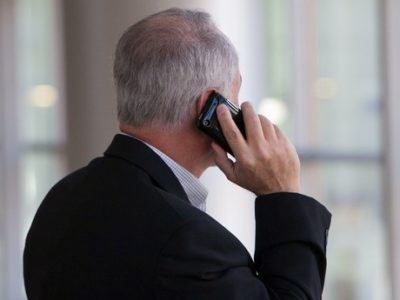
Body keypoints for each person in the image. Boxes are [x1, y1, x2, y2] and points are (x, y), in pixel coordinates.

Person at [23, 7, 331, 300]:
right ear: (211, 108)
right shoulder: (186, 240)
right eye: (236, 95)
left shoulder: (60, 199)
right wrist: (282, 194)